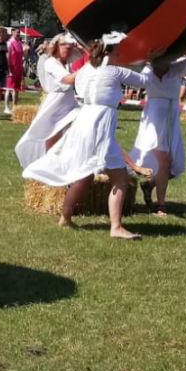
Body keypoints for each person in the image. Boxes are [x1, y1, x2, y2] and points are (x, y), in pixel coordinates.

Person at [23, 35, 163, 239]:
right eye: (116, 52)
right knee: (120, 180)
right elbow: (145, 80)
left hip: (83, 123)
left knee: (84, 174)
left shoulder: (85, 70)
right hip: (100, 126)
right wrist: (149, 61)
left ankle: (65, 217)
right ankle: (116, 228)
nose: (119, 55)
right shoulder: (114, 71)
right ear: (108, 53)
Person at [129, 45, 186, 218]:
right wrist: (148, 59)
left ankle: (150, 185)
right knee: (164, 161)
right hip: (153, 119)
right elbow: (136, 77)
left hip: (171, 120)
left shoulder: (177, 69)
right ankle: (161, 206)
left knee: (174, 166)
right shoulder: (146, 71)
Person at [14, 34, 79, 168]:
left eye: (71, 49)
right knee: (50, 132)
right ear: (57, 47)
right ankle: (50, 162)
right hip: (55, 102)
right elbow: (68, 79)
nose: (70, 52)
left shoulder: (67, 60)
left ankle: (64, 161)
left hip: (68, 101)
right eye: (67, 48)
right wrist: (88, 68)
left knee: (76, 127)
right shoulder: (50, 62)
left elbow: (85, 52)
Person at [7, 28, 25, 109]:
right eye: (17, 32)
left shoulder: (19, 43)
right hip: (12, 68)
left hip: (18, 68)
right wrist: (9, 69)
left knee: (17, 89)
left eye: (19, 32)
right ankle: (7, 107)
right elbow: (7, 57)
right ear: (13, 33)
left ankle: (15, 106)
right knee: (9, 88)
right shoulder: (9, 43)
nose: (18, 34)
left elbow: (22, 56)